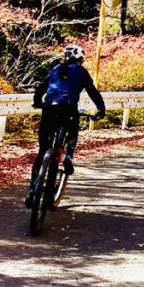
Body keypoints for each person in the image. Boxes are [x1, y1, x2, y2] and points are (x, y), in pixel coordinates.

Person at [26, 44, 105, 208]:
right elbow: (93, 92)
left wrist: (37, 103)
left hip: (49, 110)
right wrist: (101, 109)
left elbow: (41, 87)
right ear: (80, 59)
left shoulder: (56, 68)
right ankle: (68, 156)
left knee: (43, 152)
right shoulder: (82, 72)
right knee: (72, 128)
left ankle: (32, 191)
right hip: (68, 111)